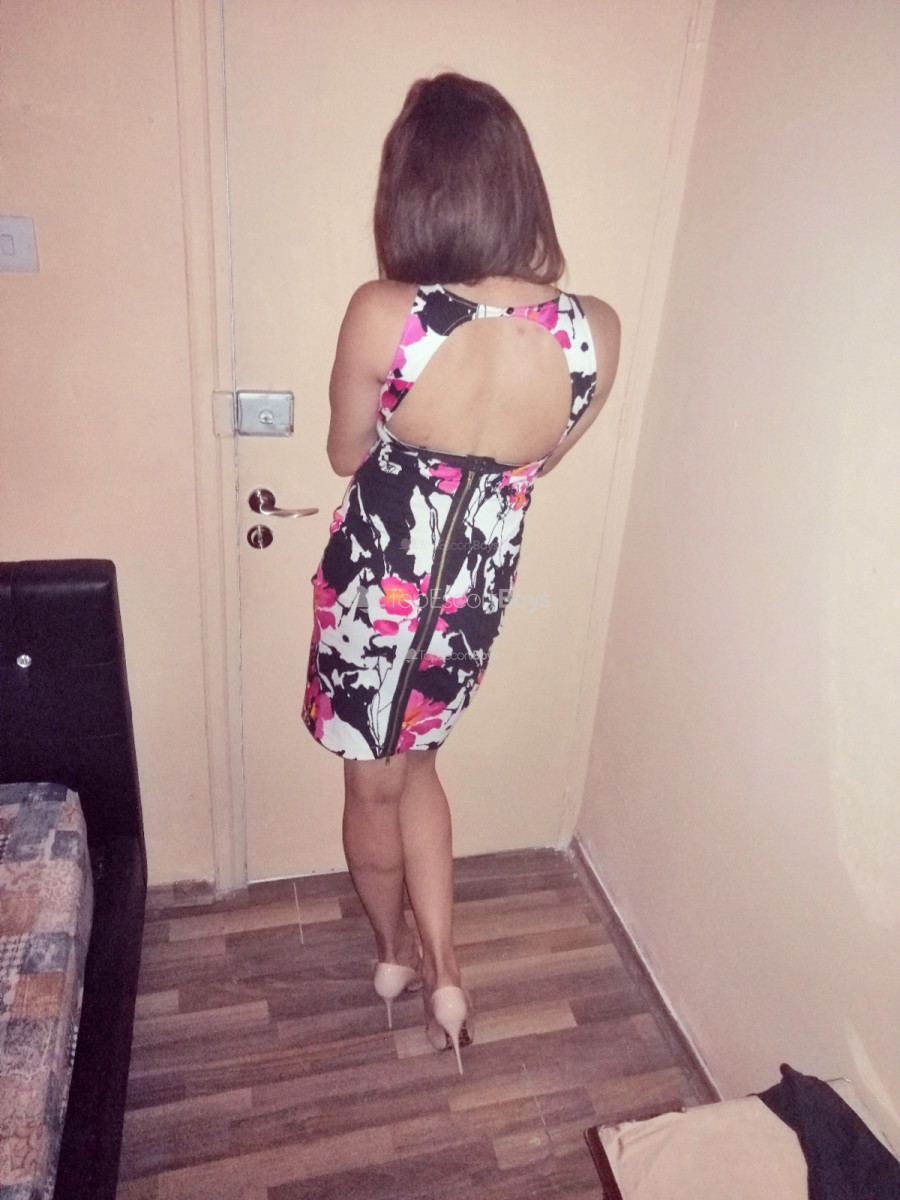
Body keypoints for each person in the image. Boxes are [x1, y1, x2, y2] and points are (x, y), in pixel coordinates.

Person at [302, 73, 620, 1073]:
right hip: (468, 602)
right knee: (424, 767)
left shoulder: (386, 314)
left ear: (415, 189)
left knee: (372, 786)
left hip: (376, 595)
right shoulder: (596, 330)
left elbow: (345, 455)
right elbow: (541, 464)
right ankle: (449, 972)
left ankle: (393, 957)